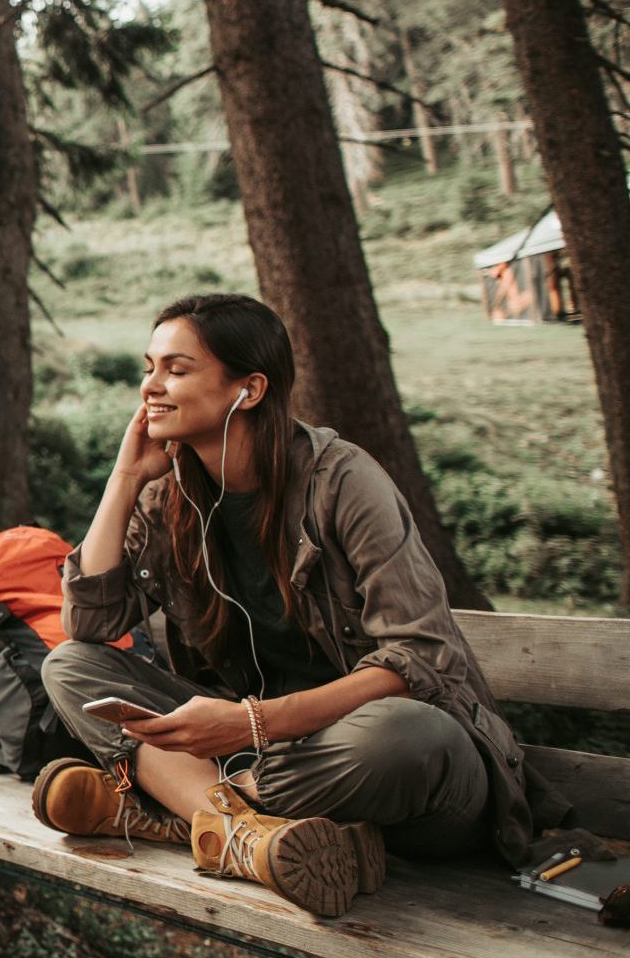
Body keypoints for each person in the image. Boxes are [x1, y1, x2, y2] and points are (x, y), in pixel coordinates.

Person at [32, 293, 567, 917]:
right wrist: (125, 478)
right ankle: (245, 836)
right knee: (69, 665)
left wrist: (252, 725)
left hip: (396, 772)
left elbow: (420, 659)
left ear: (250, 390)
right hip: (255, 752)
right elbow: (90, 624)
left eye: (176, 370)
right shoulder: (169, 498)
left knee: (404, 733)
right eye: (147, 367)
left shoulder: (342, 482)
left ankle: (184, 818)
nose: (151, 386)